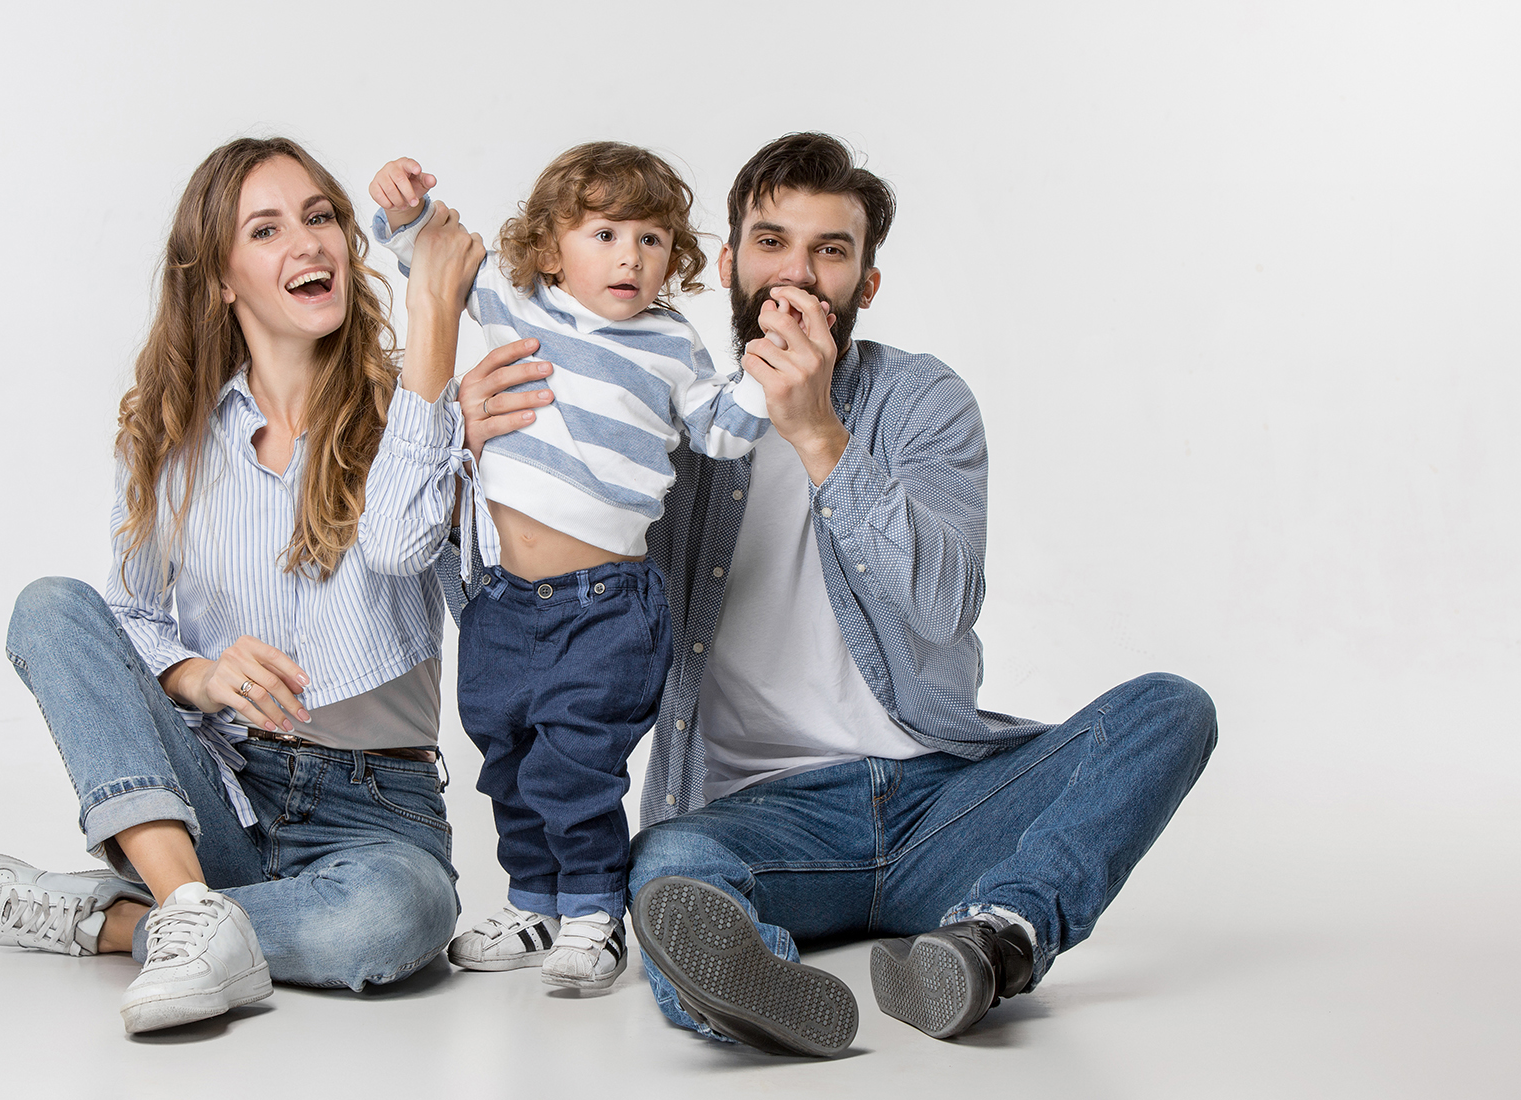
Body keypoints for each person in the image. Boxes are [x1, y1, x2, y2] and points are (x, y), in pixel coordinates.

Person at [462, 132, 1220, 1056]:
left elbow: (942, 605)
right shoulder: (659, 405)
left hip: (939, 797)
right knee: (668, 861)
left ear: (865, 282)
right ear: (731, 263)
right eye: (772, 242)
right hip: (760, 814)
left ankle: (991, 941)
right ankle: (758, 986)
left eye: (832, 251)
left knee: (1168, 711)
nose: (800, 273)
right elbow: (535, 570)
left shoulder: (920, 399)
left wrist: (822, 437)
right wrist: (477, 443)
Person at [0, 136, 490, 1033]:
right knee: (51, 607)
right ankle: (192, 907)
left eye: (320, 218)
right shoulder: (173, 440)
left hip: (377, 811)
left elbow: (401, 542)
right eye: (267, 230)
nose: (308, 243)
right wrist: (200, 676)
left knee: (397, 923)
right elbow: (132, 617)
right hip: (221, 786)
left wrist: (434, 321)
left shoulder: (413, 414)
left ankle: (123, 921)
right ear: (222, 280)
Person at [359, 143, 771, 991]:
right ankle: (536, 903)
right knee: (506, 755)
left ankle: (594, 912)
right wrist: (404, 213)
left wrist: (767, 377)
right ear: (550, 248)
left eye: (653, 240)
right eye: (606, 232)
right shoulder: (517, 301)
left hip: (607, 604)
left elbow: (723, 433)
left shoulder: (672, 346)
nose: (630, 256)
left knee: (573, 764)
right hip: (501, 603)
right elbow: (430, 264)